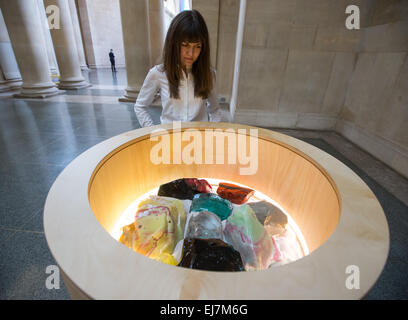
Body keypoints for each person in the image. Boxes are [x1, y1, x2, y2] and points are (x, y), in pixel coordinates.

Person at [134, 10, 222, 127]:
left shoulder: (209, 75)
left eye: (197, 46)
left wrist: (211, 133)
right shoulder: (158, 74)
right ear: (173, 43)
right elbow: (140, 106)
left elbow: (215, 110)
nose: (191, 53)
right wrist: (152, 131)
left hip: (199, 140)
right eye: (185, 44)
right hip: (169, 139)